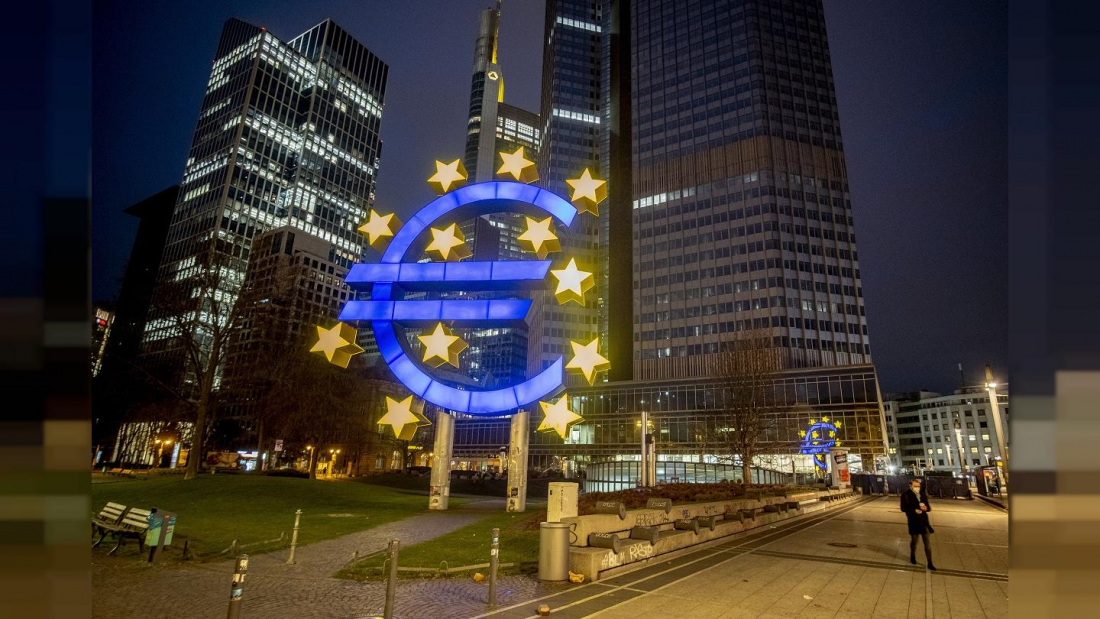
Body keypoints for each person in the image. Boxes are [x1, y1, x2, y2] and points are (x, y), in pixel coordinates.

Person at [899, 478, 937, 570]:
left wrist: (926, 508)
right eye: (915, 486)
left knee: (927, 542)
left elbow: (928, 508)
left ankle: (930, 562)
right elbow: (903, 508)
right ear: (910, 486)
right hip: (913, 520)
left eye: (918, 486)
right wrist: (914, 510)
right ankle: (912, 555)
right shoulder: (905, 495)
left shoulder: (922, 494)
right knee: (914, 541)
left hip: (924, 521)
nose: (917, 488)